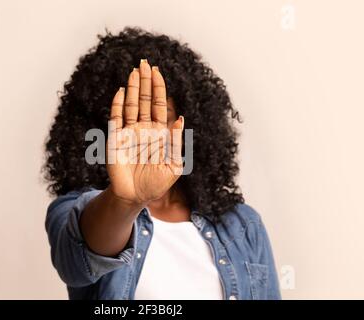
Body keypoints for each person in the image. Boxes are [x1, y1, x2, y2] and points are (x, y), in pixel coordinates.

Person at [44, 27, 281, 300]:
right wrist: (126, 201)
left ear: (187, 122)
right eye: (128, 119)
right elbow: (77, 263)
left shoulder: (243, 224)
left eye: (160, 116)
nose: (146, 133)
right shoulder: (77, 211)